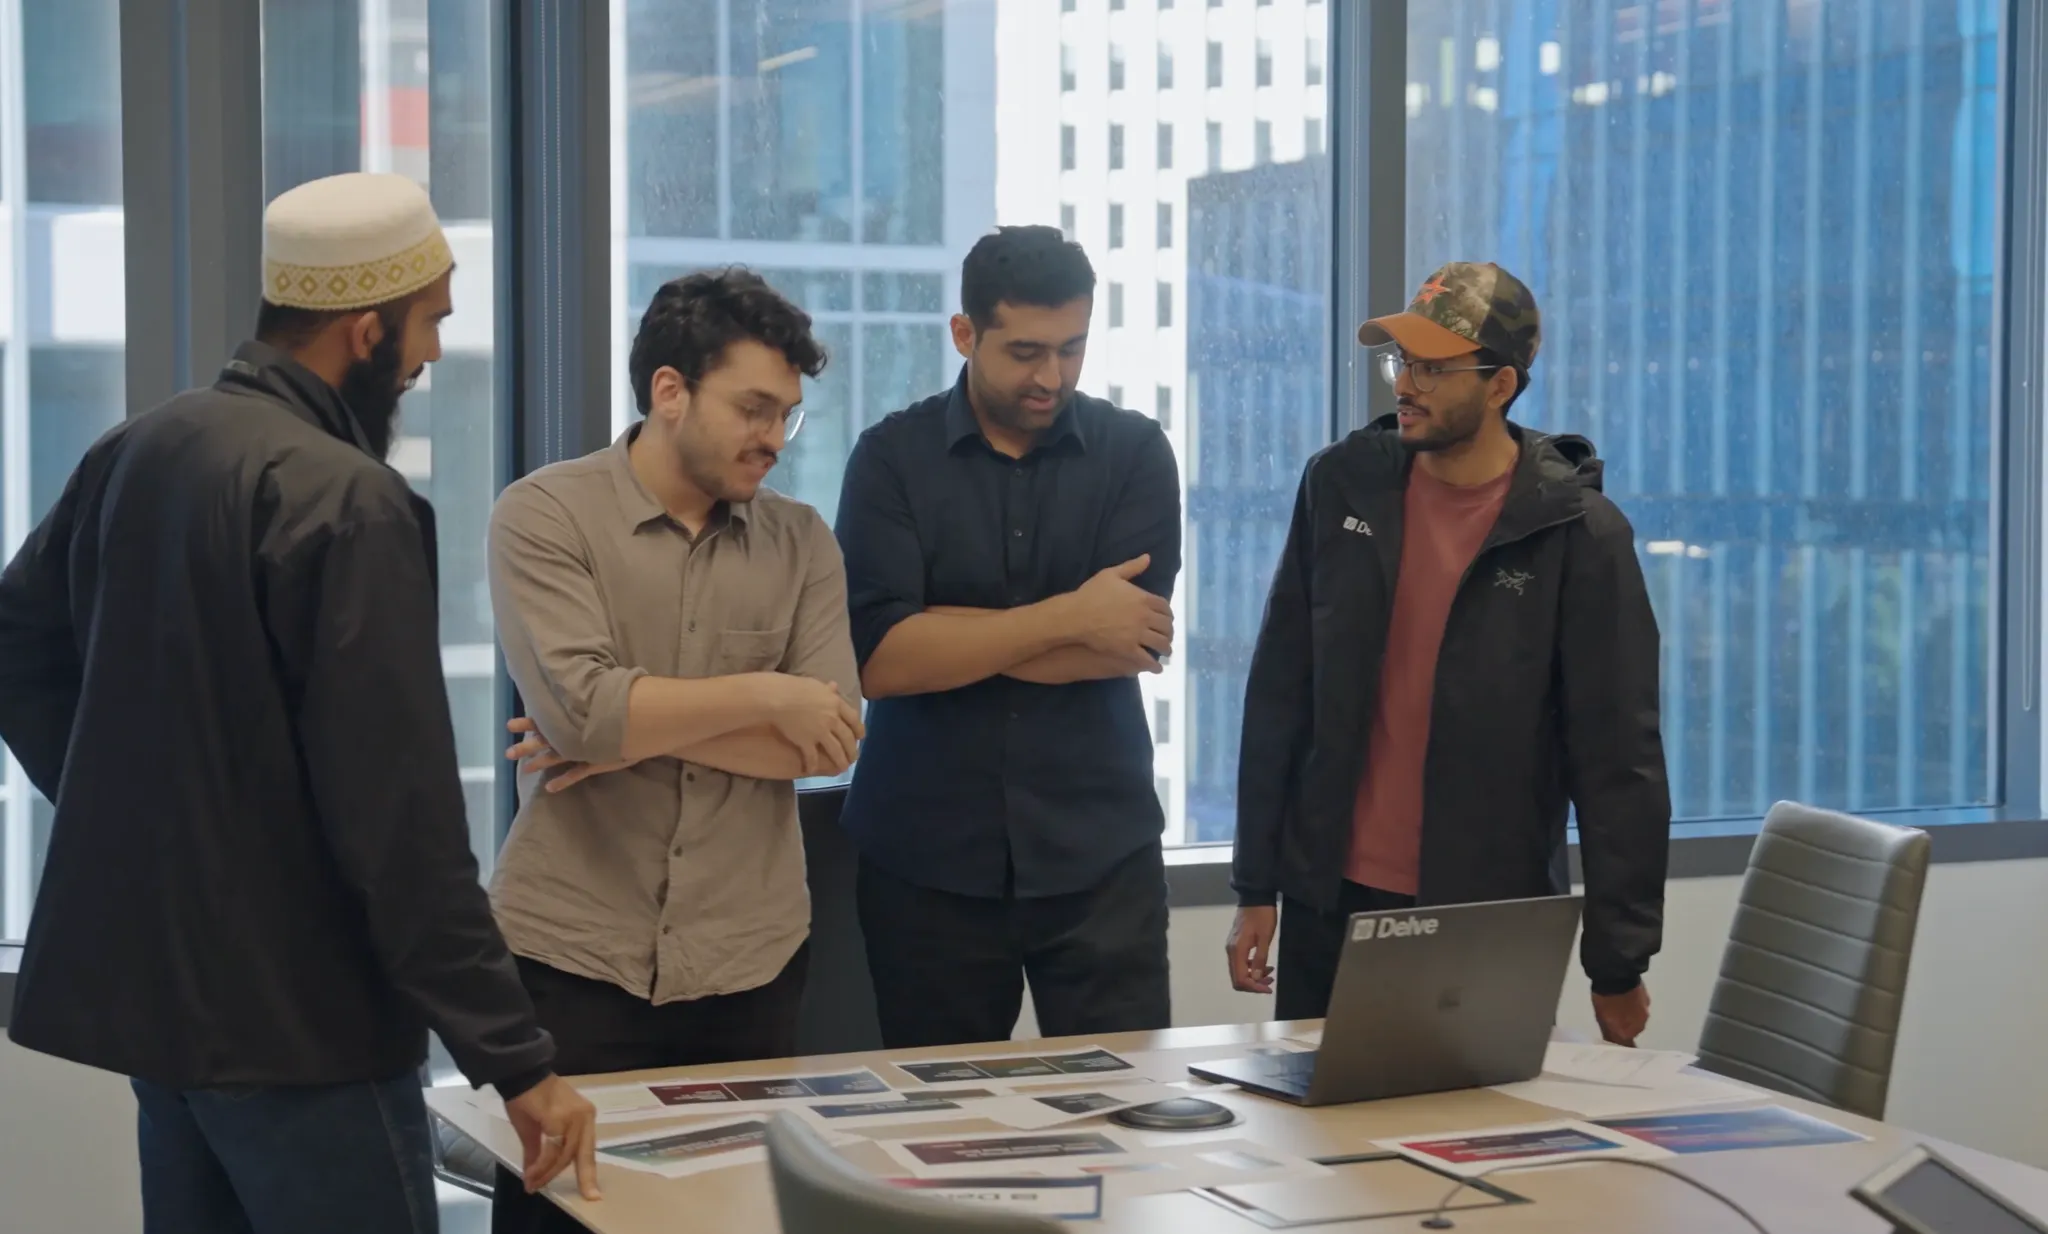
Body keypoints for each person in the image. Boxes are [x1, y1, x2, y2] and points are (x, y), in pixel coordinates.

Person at [0, 172, 597, 1234]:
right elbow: (401, 823)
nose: (434, 356)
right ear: (363, 328)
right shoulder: (351, 503)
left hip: (166, 1022)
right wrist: (517, 1062)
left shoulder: (138, 448)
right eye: (428, 323)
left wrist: (132, 811)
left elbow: (18, 644)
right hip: (305, 1029)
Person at [486, 268, 861, 1234]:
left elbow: (831, 739)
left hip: (750, 960)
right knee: (560, 1220)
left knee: (731, 1222)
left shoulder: (802, 542)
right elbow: (582, 717)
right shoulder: (545, 514)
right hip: (573, 956)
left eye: (787, 415)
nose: (774, 438)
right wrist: (768, 695)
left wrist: (629, 735)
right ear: (668, 391)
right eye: (753, 408)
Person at [1224, 261, 1671, 1046]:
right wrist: (1256, 884)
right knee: (1316, 1149)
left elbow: (1617, 762)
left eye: (1435, 367)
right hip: (1333, 900)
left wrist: (1618, 961)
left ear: (1499, 386)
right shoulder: (1341, 486)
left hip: (1484, 915)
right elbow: (1281, 690)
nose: (1408, 384)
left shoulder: (1580, 536)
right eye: (1404, 362)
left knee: (1469, 1141)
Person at [835, 225, 1181, 1049]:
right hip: (925, 861)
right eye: (1025, 351)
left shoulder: (1134, 453)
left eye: (1071, 348)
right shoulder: (889, 459)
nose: (1051, 376)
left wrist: (949, 634)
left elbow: (1128, 641)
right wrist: (1070, 616)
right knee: (935, 1132)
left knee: (1123, 1119)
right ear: (965, 334)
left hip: (1101, 854)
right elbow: (881, 660)